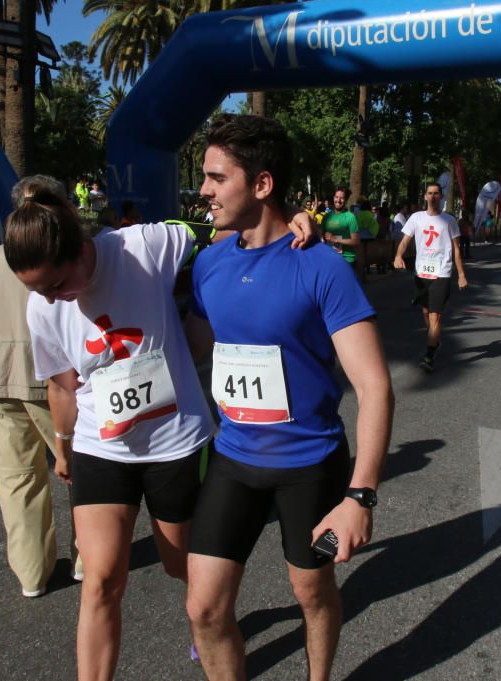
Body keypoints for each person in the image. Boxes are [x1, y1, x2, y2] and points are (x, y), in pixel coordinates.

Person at [3, 184, 315, 680]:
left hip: (176, 444)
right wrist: (62, 448)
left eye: (56, 284)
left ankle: (209, 627)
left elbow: (225, 222)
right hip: (100, 447)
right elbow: (64, 386)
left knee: (180, 566)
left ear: (81, 250)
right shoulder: (43, 306)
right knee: (102, 579)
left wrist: (290, 217)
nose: (50, 298)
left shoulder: (140, 246)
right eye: (37, 290)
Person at [183, 114, 394, 681]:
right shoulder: (209, 262)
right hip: (233, 460)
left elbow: (374, 386)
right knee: (203, 609)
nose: (202, 190)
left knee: (311, 592)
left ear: (262, 184)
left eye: (215, 178)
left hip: (309, 466)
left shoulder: (321, 266)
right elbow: (192, 344)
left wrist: (361, 497)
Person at [0, 174, 81, 599]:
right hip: (53, 380)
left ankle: (32, 575)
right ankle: (86, 559)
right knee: (78, 471)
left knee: (16, 480)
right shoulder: (68, 252)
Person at [392, 183, 468, 372]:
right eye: (430, 193)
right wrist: (398, 256)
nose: (433, 196)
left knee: (435, 315)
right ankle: (434, 342)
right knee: (425, 312)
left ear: (441, 197)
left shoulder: (449, 220)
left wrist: (461, 275)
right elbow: (405, 241)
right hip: (421, 273)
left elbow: (457, 249)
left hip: (441, 272)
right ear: (425, 196)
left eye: (436, 194)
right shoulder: (416, 218)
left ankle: (429, 355)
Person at [322, 187, 361, 273]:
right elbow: (323, 238)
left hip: (346, 260)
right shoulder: (327, 217)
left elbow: (356, 241)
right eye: (336, 197)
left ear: (346, 200)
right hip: (330, 260)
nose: (338, 200)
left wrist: (336, 239)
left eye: (342, 198)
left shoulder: (350, 217)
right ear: (333, 197)